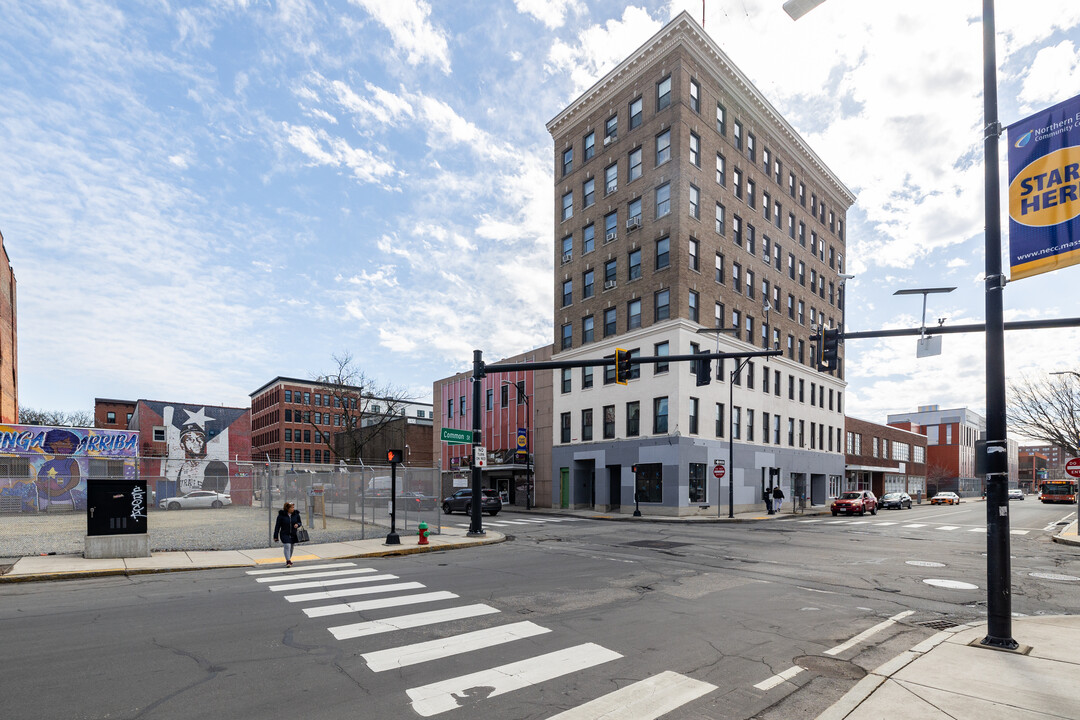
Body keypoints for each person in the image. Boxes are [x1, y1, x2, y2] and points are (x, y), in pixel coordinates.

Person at [273, 502, 303, 567]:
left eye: (293, 507)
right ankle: (288, 561)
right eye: (291, 507)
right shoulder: (281, 516)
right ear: (287, 508)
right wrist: (275, 536)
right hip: (284, 534)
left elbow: (300, 522)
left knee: (291, 547)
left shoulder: (296, 514)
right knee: (287, 546)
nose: (293, 509)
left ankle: (288, 559)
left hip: (293, 534)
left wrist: (297, 524)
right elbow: (277, 526)